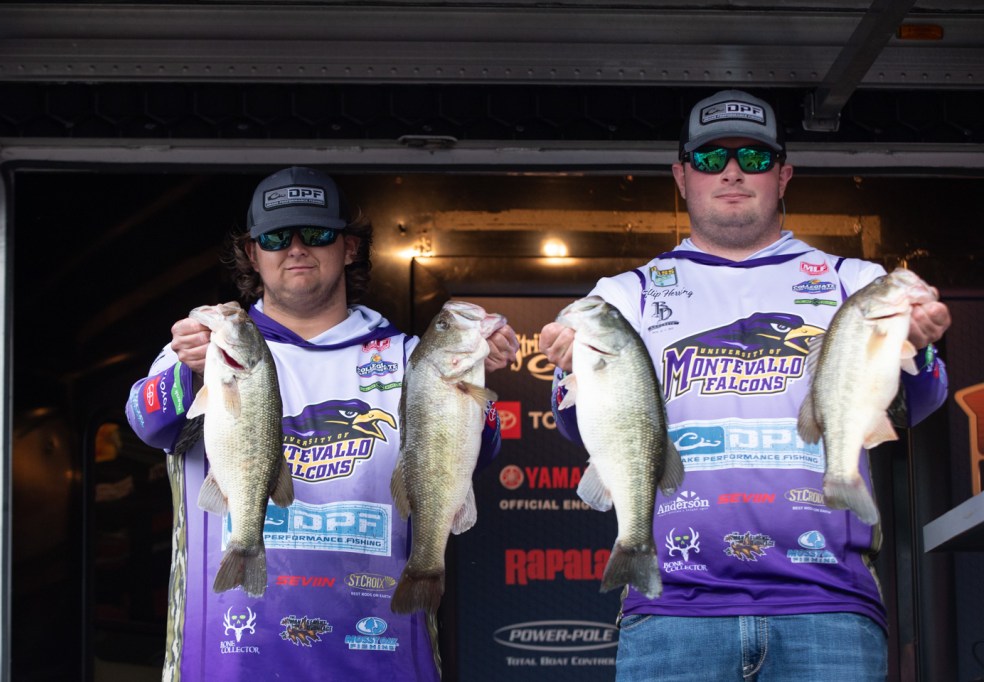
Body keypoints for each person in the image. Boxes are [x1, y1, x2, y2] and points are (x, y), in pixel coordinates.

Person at [540, 90, 951, 681]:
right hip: (673, 609)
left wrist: (921, 344)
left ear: (783, 176)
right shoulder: (623, 295)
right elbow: (579, 425)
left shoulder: (857, 283)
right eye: (711, 158)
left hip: (828, 604)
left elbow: (918, 405)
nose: (732, 172)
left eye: (753, 158)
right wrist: (567, 368)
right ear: (682, 176)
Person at [125, 166, 518, 681]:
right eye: (275, 238)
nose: (295, 248)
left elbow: (473, 456)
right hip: (228, 657)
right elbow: (146, 423)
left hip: (381, 656)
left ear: (349, 248)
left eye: (316, 233)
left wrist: (477, 375)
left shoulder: (413, 358)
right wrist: (187, 369)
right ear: (252, 254)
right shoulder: (204, 349)